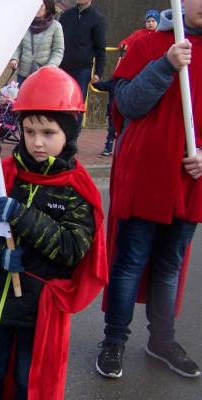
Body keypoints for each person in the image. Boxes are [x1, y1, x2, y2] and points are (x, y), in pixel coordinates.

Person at [0, 66, 107, 400]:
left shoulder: (76, 190)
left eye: (48, 132)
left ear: (69, 132)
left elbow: (72, 248)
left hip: (36, 309)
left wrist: (22, 216)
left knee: (27, 381)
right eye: (29, 130)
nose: (37, 142)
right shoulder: (3, 175)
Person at [96, 0, 202, 380]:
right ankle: (114, 341)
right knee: (130, 262)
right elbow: (126, 104)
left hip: (190, 182)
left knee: (169, 265)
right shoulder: (147, 43)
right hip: (144, 176)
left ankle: (162, 339)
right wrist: (166, 65)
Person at [59, 0, 106, 137]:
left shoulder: (97, 18)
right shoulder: (66, 15)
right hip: (63, 67)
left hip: (83, 69)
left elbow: (100, 48)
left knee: (77, 105)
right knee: (61, 103)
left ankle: (73, 138)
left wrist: (98, 72)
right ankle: (60, 134)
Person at [8, 0, 64, 86]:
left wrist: (50, 67)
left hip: (43, 75)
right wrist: (14, 58)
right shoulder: (25, 23)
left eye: (41, 6)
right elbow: (18, 44)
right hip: (23, 73)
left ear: (48, 8)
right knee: (22, 98)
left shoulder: (56, 26)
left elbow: (58, 50)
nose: (37, 9)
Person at [92, 78, 115, 156]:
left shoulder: (130, 81)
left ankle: (115, 149)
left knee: (122, 132)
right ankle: (108, 148)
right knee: (111, 130)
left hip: (124, 112)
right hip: (113, 111)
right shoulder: (113, 81)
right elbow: (103, 86)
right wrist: (95, 83)